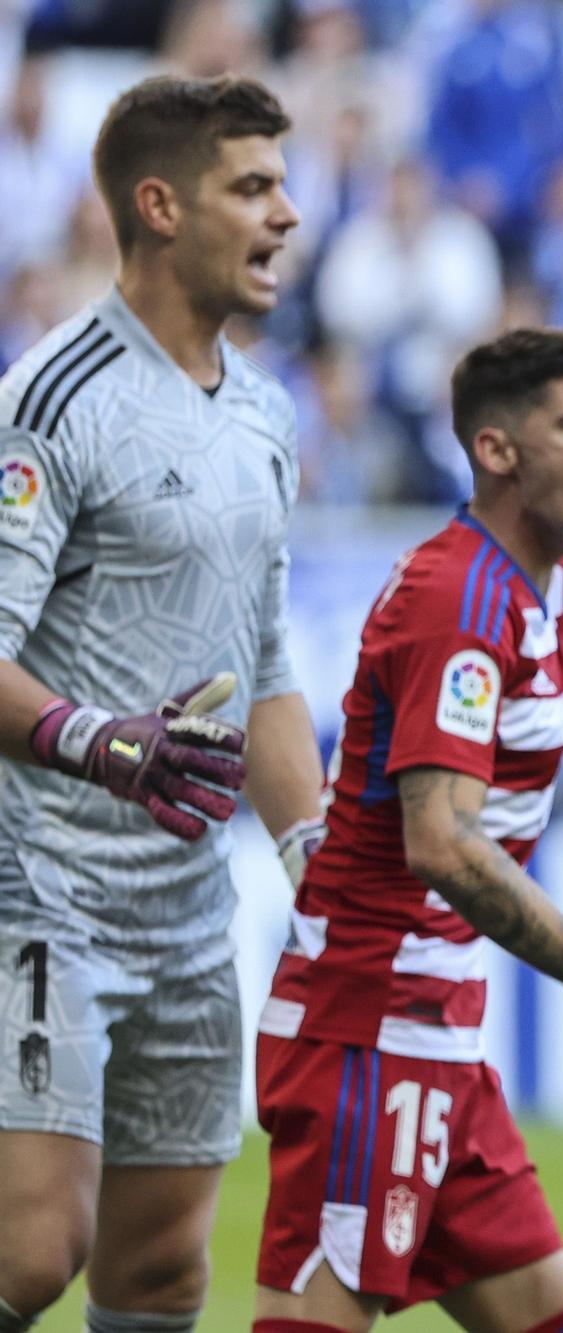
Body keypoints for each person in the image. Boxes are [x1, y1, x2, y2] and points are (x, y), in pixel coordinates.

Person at [251, 326, 563, 1333]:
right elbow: (441, 842)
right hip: (367, 1032)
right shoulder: (460, 602)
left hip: (435, 1036)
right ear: (497, 451)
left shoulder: (557, 578)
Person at [0, 75, 327, 1333]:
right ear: (160, 205)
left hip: (189, 915)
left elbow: (267, 668)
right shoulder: (55, 396)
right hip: (43, 893)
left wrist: (311, 853)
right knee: (33, 1248)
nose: (286, 215)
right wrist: (99, 740)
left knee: (160, 1278)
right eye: (252, 186)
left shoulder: (261, 415)